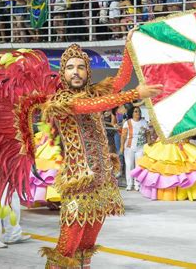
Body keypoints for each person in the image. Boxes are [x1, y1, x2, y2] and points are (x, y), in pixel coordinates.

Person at [39, 43, 162, 268]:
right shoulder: (61, 101)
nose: (75, 71)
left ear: (88, 71)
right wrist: (135, 94)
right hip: (79, 184)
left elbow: (120, 79)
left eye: (80, 67)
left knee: (87, 247)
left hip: (102, 183)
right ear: (63, 73)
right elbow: (92, 105)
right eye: (69, 67)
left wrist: (129, 45)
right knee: (66, 248)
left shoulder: (94, 92)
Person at [120, 106, 150, 191]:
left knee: (139, 166)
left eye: (139, 111)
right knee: (129, 165)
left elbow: (147, 134)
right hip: (129, 147)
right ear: (132, 113)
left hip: (141, 148)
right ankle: (129, 184)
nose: (138, 113)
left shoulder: (144, 122)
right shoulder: (128, 122)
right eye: (136, 111)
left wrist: (149, 144)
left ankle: (138, 184)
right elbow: (123, 136)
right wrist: (122, 147)